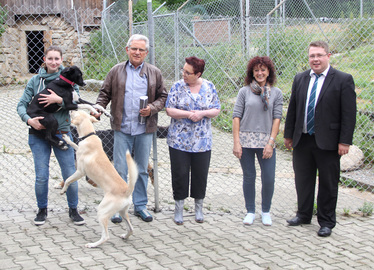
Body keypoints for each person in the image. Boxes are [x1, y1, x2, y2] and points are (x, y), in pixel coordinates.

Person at [284, 41, 356, 237]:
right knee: (303, 180)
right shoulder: (300, 79)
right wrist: (288, 135)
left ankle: (326, 221)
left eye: (319, 55)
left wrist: (345, 141)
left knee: (328, 183)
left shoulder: (342, 79)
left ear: (328, 56)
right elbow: (293, 109)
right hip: (303, 139)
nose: (315, 59)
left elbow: (349, 114)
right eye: (311, 56)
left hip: (329, 142)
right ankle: (303, 214)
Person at [96, 34, 167, 223]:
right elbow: (105, 93)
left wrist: (151, 108)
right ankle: (119, 207)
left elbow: (163, 97)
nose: (137, 52)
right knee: (119, 169)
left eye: (141, 50)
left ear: (146, 53)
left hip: (144, 130)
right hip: (122, 128)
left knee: (142, 169)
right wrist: (98, 109)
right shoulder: (116, 71)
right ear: (127, 50)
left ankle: (140, 206)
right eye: (133, 49)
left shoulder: (155, 72)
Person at [17, 46, 85, 226]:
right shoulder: (35, 81)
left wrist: (59, 101)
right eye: (50, 59)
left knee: (70, 173)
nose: (54, 62)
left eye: (57, 59)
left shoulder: (71, 78)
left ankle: (73, 209)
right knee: (41, 176)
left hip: (62, 132)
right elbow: (22, 105)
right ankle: (42, 210)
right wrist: (28, 120)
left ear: (62, 60)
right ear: (44, 59)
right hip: (38, 133)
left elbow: (76, 100)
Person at [166, 56, 221, 225]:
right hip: (179, 141)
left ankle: (199, 208)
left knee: (200, 175)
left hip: (202, 142)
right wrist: (189, 114)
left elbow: (216, 109)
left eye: (188, 72)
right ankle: (179, 209)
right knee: (180, 174)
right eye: (183, 70)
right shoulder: (177, 86)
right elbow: (169, 109)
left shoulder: (209, 86)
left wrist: (202, 114)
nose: (184, 74)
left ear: (198, 74)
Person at [232, 56, 283, 226]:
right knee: (249, 177)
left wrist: (271, 142)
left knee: (268, 177)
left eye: (263, 70)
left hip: (266, 143)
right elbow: (236, 117)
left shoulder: (276, 93)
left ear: (269, 72)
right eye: (256, 70)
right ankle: (250, 211)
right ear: (251, 73)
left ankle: (266, 211)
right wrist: (236, 142)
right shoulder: (244, 92)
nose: (260, 73)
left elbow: (277, 119)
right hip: (245, 142)